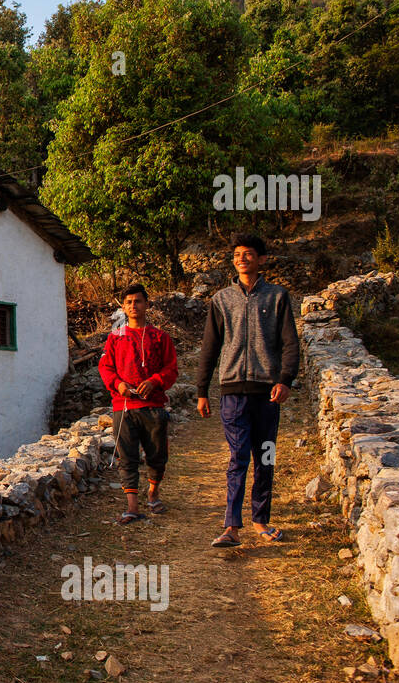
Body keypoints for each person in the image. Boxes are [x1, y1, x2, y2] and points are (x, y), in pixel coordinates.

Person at [197, 234, 300, 547]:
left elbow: (290, 343)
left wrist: (285, 379)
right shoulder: (221, 300)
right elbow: (210, 347)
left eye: (249, 254)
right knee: (238, 456)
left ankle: (260, 519)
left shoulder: (277, 297)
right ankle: (231, 526)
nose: (242, 258)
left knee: (265, 457)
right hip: (232, 391)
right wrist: (202, 389)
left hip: (267, 391)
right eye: (238, 254)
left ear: (262, 259)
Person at [98, 283, 178, 524]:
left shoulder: (159, 337)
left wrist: (155, 381)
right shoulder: (115, 338)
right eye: (129, 302)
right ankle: (132, 505)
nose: (134, 306)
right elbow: (105, 367)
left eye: (138, 301)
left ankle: (153, 491)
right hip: (124, 406)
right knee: (127, 456)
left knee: (157, 454)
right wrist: (118, 384)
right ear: (123, 307)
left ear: (147, 305)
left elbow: (171, 369)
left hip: (153, 405)